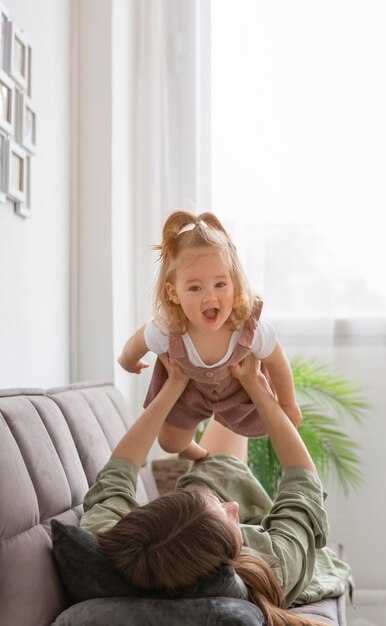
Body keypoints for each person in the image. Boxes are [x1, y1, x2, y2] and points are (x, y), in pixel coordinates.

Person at [80, 354, 352, 626]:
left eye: (217, 504)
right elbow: (302, 482)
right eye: (227, 514)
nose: (231, 505)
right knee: (225, 471)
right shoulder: (275, 564)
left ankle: (222, 363)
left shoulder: (108, 538)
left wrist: (174, 385)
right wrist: (256, 387)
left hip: (192, 536)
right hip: (254, 545)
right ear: (225, 561)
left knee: (217, 468)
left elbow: (118, 471)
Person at [118, 210, 303, 460]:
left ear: (235, 285)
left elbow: (277, 362)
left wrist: (288, 403)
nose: (210, 297)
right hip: (189, 395)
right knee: (170, 443)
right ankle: (199, 453)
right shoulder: (168, 328)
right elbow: (137, 343)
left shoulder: (247, 327)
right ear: (174, 293)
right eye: (195, 288)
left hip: (236, 393)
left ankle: (227, 438)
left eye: (220, 284)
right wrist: (127, 361)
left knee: (275, 424)